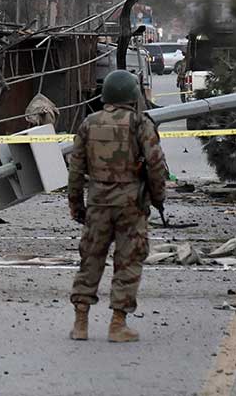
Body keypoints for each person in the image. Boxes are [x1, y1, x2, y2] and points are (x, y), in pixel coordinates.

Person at [68, 69, 168, 343]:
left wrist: (76, 205)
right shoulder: (140, 124)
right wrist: (158, 198)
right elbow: (156, 165)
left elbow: (76, 169)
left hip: (98, 203)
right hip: (131, 205)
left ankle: (80, 323)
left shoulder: (89, 123)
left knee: (90, 259)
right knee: (128, 261)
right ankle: (117, 323)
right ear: (132, 96)